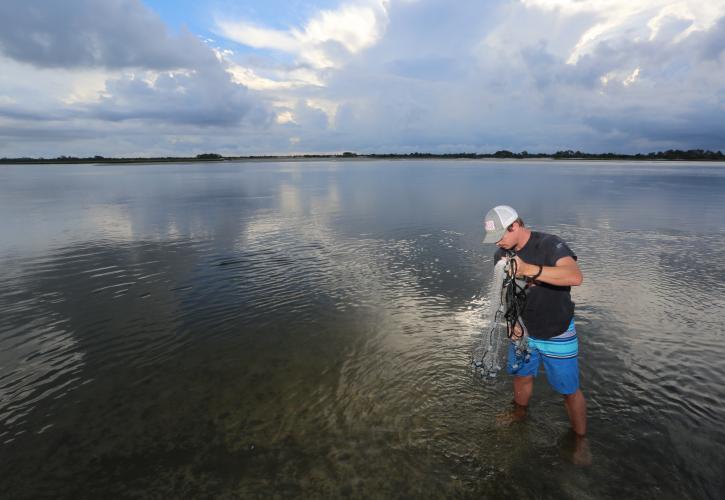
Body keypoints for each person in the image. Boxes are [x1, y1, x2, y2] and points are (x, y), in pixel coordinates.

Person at [482, 205, 587, 443]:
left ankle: (580, 439)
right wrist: (511, 320)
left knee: (569, 390)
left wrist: (529, 270)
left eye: (500, 236)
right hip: (522, 331)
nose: (498, 243)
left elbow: (575, 276)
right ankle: (519, 413)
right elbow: (506, 292)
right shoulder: (501, 255)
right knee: (521, 377)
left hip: (556, 331)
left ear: (515, 226)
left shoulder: (549, 245)